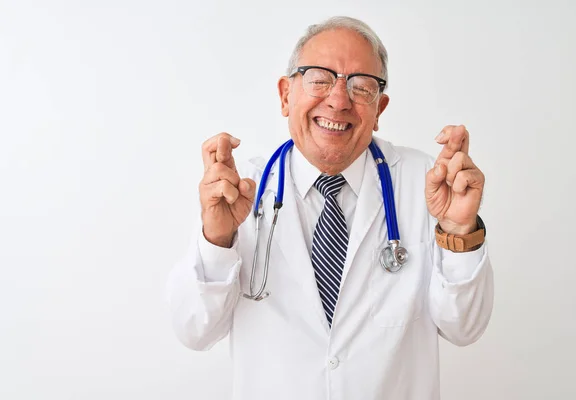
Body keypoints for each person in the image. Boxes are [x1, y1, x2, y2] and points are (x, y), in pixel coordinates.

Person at [166, 16, 494, 400]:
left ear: (379, 108)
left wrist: (459, 231)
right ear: (286, 95)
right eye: (319, 78)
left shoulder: (426, 182)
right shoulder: (240, 189)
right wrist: (217, 239)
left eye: (361, 86)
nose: (339, 101)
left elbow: (465, 328)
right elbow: (194, 329)